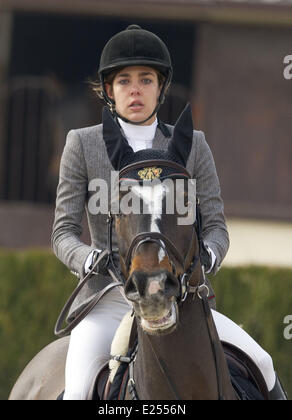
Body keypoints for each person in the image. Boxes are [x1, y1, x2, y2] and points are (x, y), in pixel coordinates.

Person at [51, 24, 286, 400]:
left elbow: (216, 227)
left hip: (183, 299)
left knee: (262, 361)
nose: (135, 89)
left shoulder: (192, 146)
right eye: (124, 80)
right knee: (78, 390)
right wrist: (86, 258)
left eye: (146, 79)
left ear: (160, 88)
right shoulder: (82, 144)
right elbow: (62, 232)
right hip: (108, 299)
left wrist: (209, 254)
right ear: (109, 90)